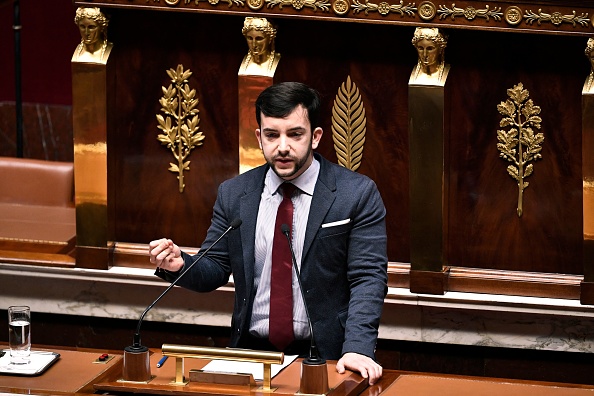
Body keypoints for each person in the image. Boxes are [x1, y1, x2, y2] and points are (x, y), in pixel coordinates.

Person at [149, 82, 388, 385]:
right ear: (259, 137)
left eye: (295, 134)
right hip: (251, 356)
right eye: (272, 135)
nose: (283, 146)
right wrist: (180, 264)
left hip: (327, 356)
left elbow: (368, 278)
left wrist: (357, 348)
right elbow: (216, 269)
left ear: (315, 137)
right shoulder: (235, 194)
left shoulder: (356, 194)